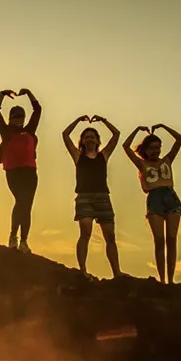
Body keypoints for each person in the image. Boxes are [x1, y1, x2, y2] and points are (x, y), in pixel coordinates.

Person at [124, 123, 181, 284]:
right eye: (152, 148)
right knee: (159, 240)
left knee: (172, 239)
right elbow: (126, 146)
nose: (156, 151)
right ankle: (162, 279)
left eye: (158, 147)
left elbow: (179, 139)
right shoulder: (142, 164)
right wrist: (137, 129)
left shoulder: (167, 160)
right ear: (146, 149)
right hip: (154, 199)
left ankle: (171, 280)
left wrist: (163, 127)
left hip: (171, 197)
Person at [62, 114, 122, 278]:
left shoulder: (104, 155)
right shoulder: (78, 156)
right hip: (84, 197)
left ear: (97, 140)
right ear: (82, 141)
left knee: (110, 236)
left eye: (92, 137)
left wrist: (104, 121)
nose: (89, 140)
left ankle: (117, 272)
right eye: (86, 137)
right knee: (85, 232)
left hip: (103, 197)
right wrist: (77, 120)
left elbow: (116, 135)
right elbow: (65, 135)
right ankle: (82, 270)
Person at [0, 88, 42, 253]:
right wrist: (2, 95)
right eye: (15, 117)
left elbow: (37, 110)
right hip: (13, 172)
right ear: (10, 118)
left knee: (26, 205)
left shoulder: (29, 131)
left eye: (21, 117)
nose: (18, 120)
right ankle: (13, 236)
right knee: (21, 201)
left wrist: (29, 93)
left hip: (30, 172)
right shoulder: (5, 132)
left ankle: (24, 241)